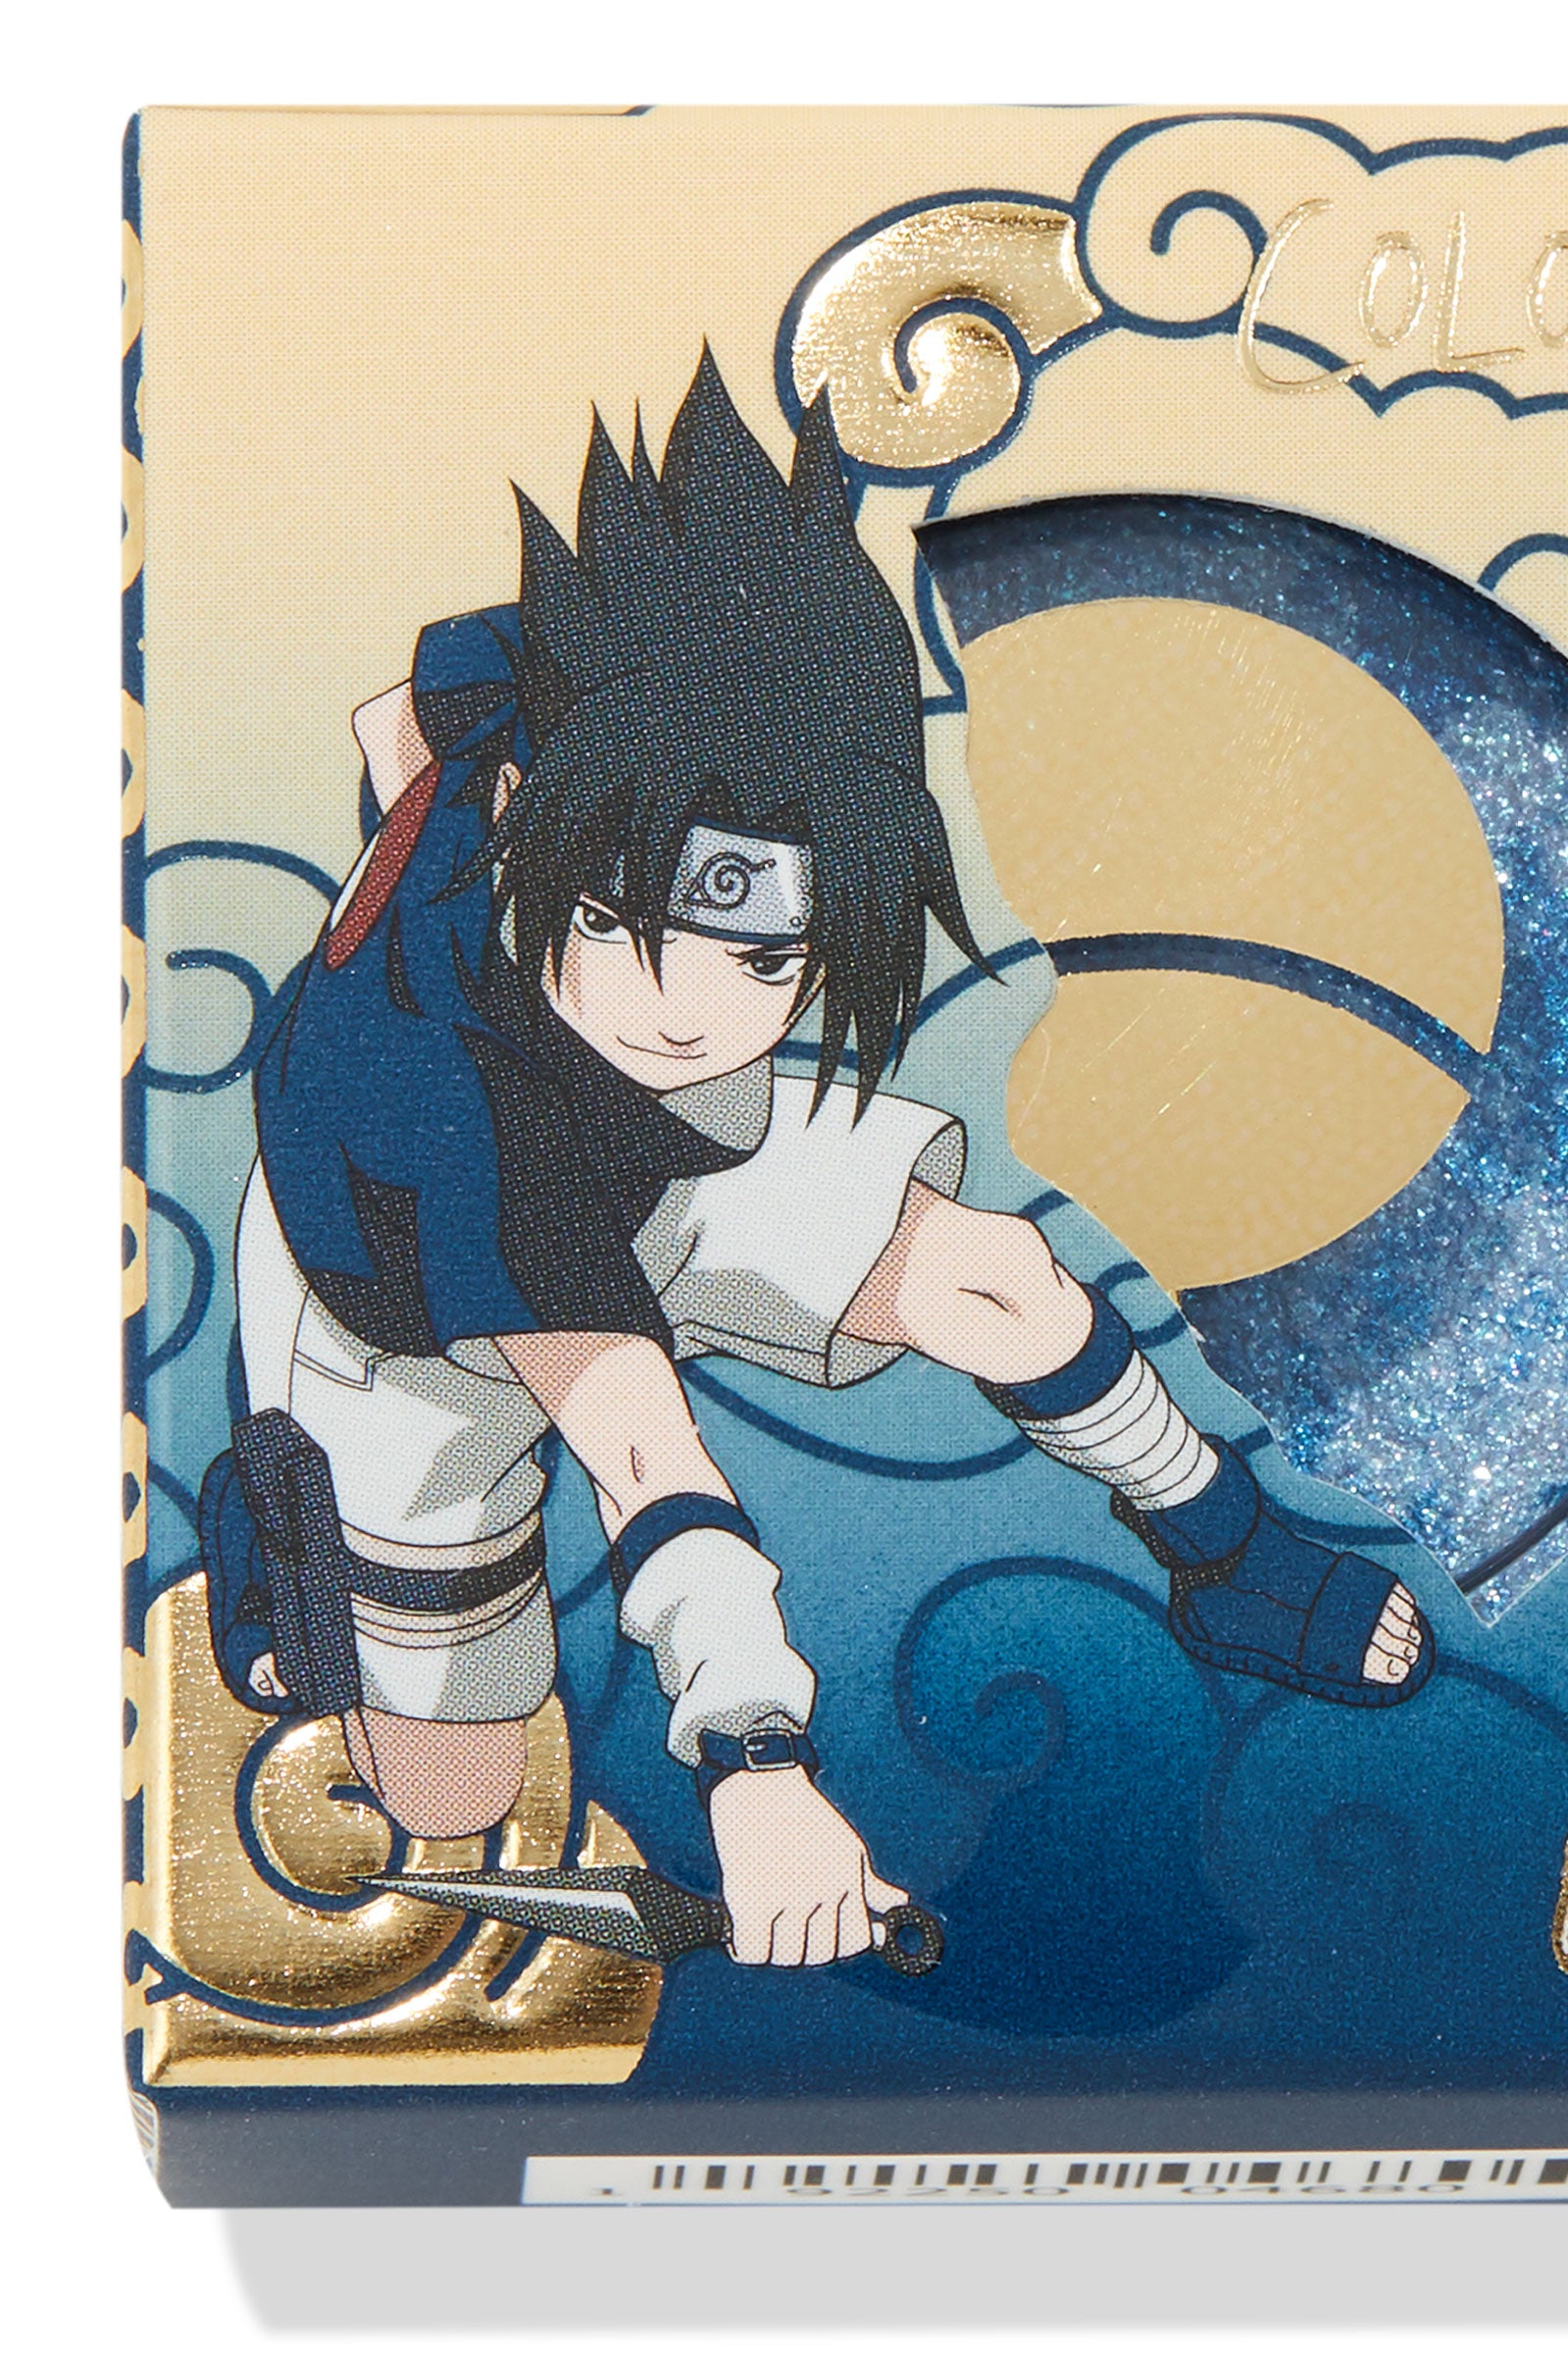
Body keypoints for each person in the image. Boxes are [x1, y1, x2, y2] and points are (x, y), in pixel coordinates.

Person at [200, 351, 1432, 1971]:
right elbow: (645, 1453)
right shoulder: (447, 1120)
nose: (685, 1012)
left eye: (765, 964)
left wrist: (422, 828)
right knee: (450, 1796)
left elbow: (407, 706)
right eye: (618, 928)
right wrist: (760, 1771)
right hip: (392, 1310)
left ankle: (1234, 1562)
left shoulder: (555, 703)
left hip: (647, 1154)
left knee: (993, 1275)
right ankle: (282, 1534)